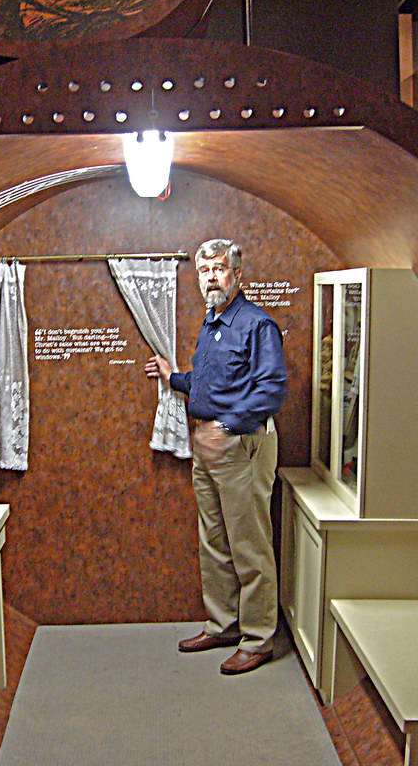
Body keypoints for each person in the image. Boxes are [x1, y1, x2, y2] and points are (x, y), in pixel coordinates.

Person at [145, 238, 287, 675]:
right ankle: (224, 624)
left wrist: (224, 427)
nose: (210, 276)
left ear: (238, 276)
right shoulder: (212, 322)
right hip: (207, 444)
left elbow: (271, 389)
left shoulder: (257, 324)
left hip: (241, 444)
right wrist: (177, 379)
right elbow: (214, 383)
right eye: (204, 269)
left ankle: (259, 637)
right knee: (215, 541)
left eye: (220, 268)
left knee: (249, 544)